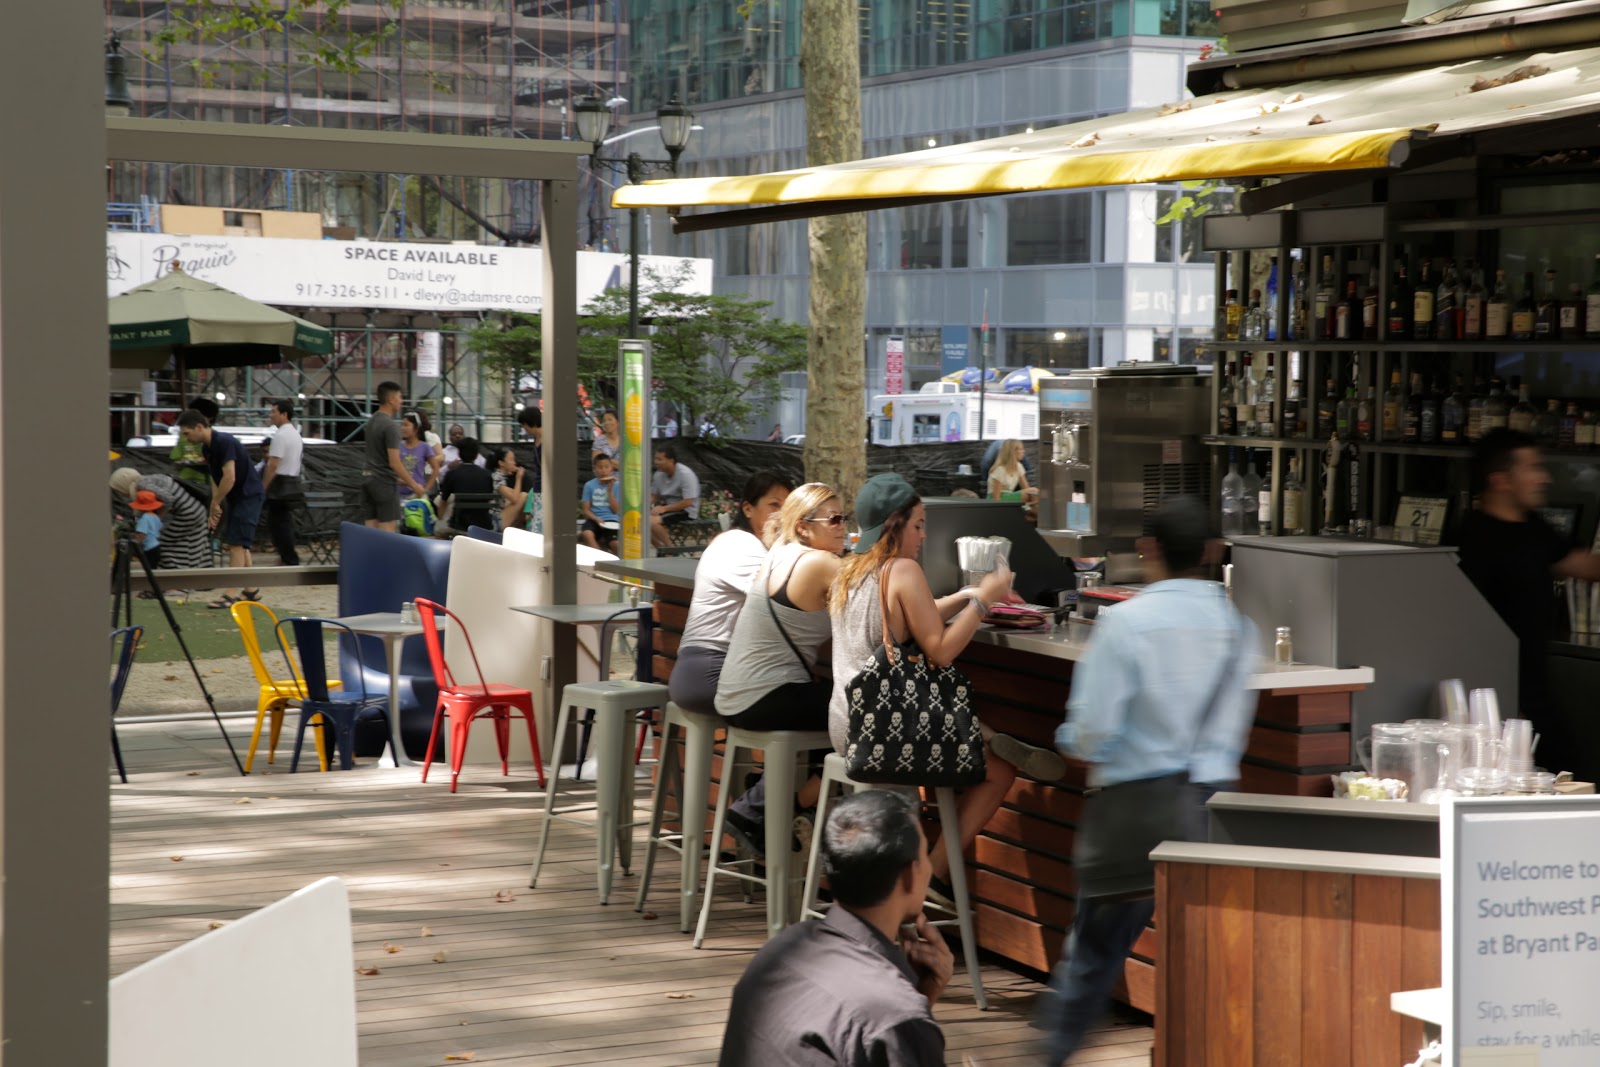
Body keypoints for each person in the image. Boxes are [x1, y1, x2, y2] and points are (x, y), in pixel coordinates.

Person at [1040, 496, 1256, 1064]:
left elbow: (1091, 732)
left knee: (1091, 959)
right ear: (1211, 553)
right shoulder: (1238, 629)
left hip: (1134, 812)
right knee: (1201, 966)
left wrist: (1074, 745)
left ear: (1148, 549)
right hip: (1210, 817)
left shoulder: (1127, 623)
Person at [829, 473, 1063, 894]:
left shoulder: (851, 569)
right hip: (886, 730)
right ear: (893, 525)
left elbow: (909, 613)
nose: (923, 534)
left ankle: (984, 735)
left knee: (963, 732)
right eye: (918, 525)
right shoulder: (902, 568)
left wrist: (964, 594)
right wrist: (983, 599)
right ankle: (929, 875)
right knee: (1000, 771)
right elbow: (940, 651)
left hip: (847, 723)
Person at [717, 791, 951, 1067]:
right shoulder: (896, 1018)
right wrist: (913, 1014)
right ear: (911, 875)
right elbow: (881, 1026)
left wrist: (920, 996)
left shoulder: (779, 952)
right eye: (925, 855)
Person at [1457, 429, 1600, 777]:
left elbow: (1582, 565)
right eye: (1533, 468)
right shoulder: (1474, 540)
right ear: (1501, 480)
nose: (1544, 477)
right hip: (1496, 699)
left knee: (1569, 778)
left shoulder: (1533, 528)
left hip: (1536, 689)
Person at [714, 483, 846, 847]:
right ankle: (769, 807)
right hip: (767, 696)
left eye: (844, 518)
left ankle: (772, 799)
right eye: (834, 519)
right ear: (804, 527)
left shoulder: (779, 553)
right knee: (862, 716)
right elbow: (883, 604)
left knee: (832, 715)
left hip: (736, 697)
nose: (843, 527)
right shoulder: (821, 562)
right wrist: (969, 599)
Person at [177, 409, 265, 608]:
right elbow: (217, 478)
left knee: (236, 543)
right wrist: (214, 505)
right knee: (241, 545)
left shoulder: (224, 442)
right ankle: (251, 590)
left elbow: (230, 477)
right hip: (236, 497)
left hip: (249, 496)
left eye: (186, 433)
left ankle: (230, 594)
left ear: (199, 427)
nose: (185, 437)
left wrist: (217, 502)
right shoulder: (208, 448)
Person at [109, 467, 211, 571]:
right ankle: (192, 574)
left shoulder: (143, 484)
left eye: (119, 490)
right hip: (197, 510)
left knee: (164, 543)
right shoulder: (148, 479)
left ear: (123, 485)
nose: (121, 494)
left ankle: (173, 575)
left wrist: (158, 518)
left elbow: (168, 499)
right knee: (190, 542)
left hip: (188, 513)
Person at [360, 381, 425, 532]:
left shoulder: (371, 422)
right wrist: (414, 485)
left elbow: (376, 456)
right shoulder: (390, 426)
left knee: (371, 527)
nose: (401, 401)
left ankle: (371, 556)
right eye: (400, 397)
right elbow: (394, 462)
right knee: (387, 529)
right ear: (391, 399)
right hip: (384, 483)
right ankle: (386, 556)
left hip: (367, 479)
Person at [261, 399, 305, 566]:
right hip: (292, 480)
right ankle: (287, 556)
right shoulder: (295, 434)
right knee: (283, 521)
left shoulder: (280, 435)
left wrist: (263, 486)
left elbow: (273, 464)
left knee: (278, 524)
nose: (271, 415)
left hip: (280, 483)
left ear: (284, 414)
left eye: (274, 411)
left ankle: (289, 557)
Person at [433, 438, 497, 537]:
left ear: (458, 453)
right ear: (476, 455)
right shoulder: (487, 475)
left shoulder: (452, 474)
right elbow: (489, 499)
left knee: (438, 530)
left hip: (459, 527)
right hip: (484, 527)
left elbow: (443, 501)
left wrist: (440, 521)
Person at [650, 444, 701, 548]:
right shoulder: (658, 475)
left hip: (686, 511)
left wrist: (664, 508)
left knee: (650, 522)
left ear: (671, 461)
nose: (656, 462)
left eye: (660, 459)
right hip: (668, 508)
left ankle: (670, 549)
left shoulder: (685, 474)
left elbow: (687, 502)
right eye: (655, 458)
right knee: (640, 521)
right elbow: (654, 496)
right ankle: (661, 549)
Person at [170, 397, 220, 501]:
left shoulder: (184, 435)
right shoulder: (214, 437)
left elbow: (175, 456)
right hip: (201, 485)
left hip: (189, 484)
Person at [579, 453, 621, 551]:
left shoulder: (617, 485)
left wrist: (610, 492)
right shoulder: (589, 485)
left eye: (607, 467)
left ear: (611, 468)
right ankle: (600, 560)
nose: (604, 470)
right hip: (594, 519)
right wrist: (596, 519)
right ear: (595, 469)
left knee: (615, 543)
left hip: (612, 520)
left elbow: (616, 510)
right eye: (600, 467)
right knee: (587, 534)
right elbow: (586, 510)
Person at [398, 412, 442, 501]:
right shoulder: (398, 447)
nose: (402, 428)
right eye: (402, 425)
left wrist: (425, 489)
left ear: (416, 428)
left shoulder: (424, 447)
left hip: (417, 496)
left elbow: (436, 469)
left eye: (406, 425)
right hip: (398, 495)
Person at [516, 406, 544, 533]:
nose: (524, 429)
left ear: (529, 423)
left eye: (524, 425)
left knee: (538, 529)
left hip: (548, 491)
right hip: (539, 489)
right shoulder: (537, 438)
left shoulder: (548, 439)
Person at [490, 446, 528, 532]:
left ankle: (519, 526)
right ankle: (519, 527)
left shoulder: (500, 477)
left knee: (523, 496)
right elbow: (515, 499)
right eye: (511, 460)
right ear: (501, 463)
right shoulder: (497, 477)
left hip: (499, 517)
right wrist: (519, 478)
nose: (514, 463)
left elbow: (514, 495)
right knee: (523, 496)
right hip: (495, 521)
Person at [986, 438, 1037, 503]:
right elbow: (996, 498)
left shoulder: (1019, 466)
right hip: (995, 499)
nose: (1024, 451)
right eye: (1021, 449)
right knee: (1028, 494)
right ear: (1013, 451)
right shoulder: (1000, 470)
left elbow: (1026, 488)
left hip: (1009, 496)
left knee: (1034, 492)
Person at [129, 489, 164, 570]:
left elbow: (142, 535)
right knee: (154, 568)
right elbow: (159, 528)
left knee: (148, 569)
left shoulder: (144, 518)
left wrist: (134, 544)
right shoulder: (155, 517)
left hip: (149, 548)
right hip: (157, 546)